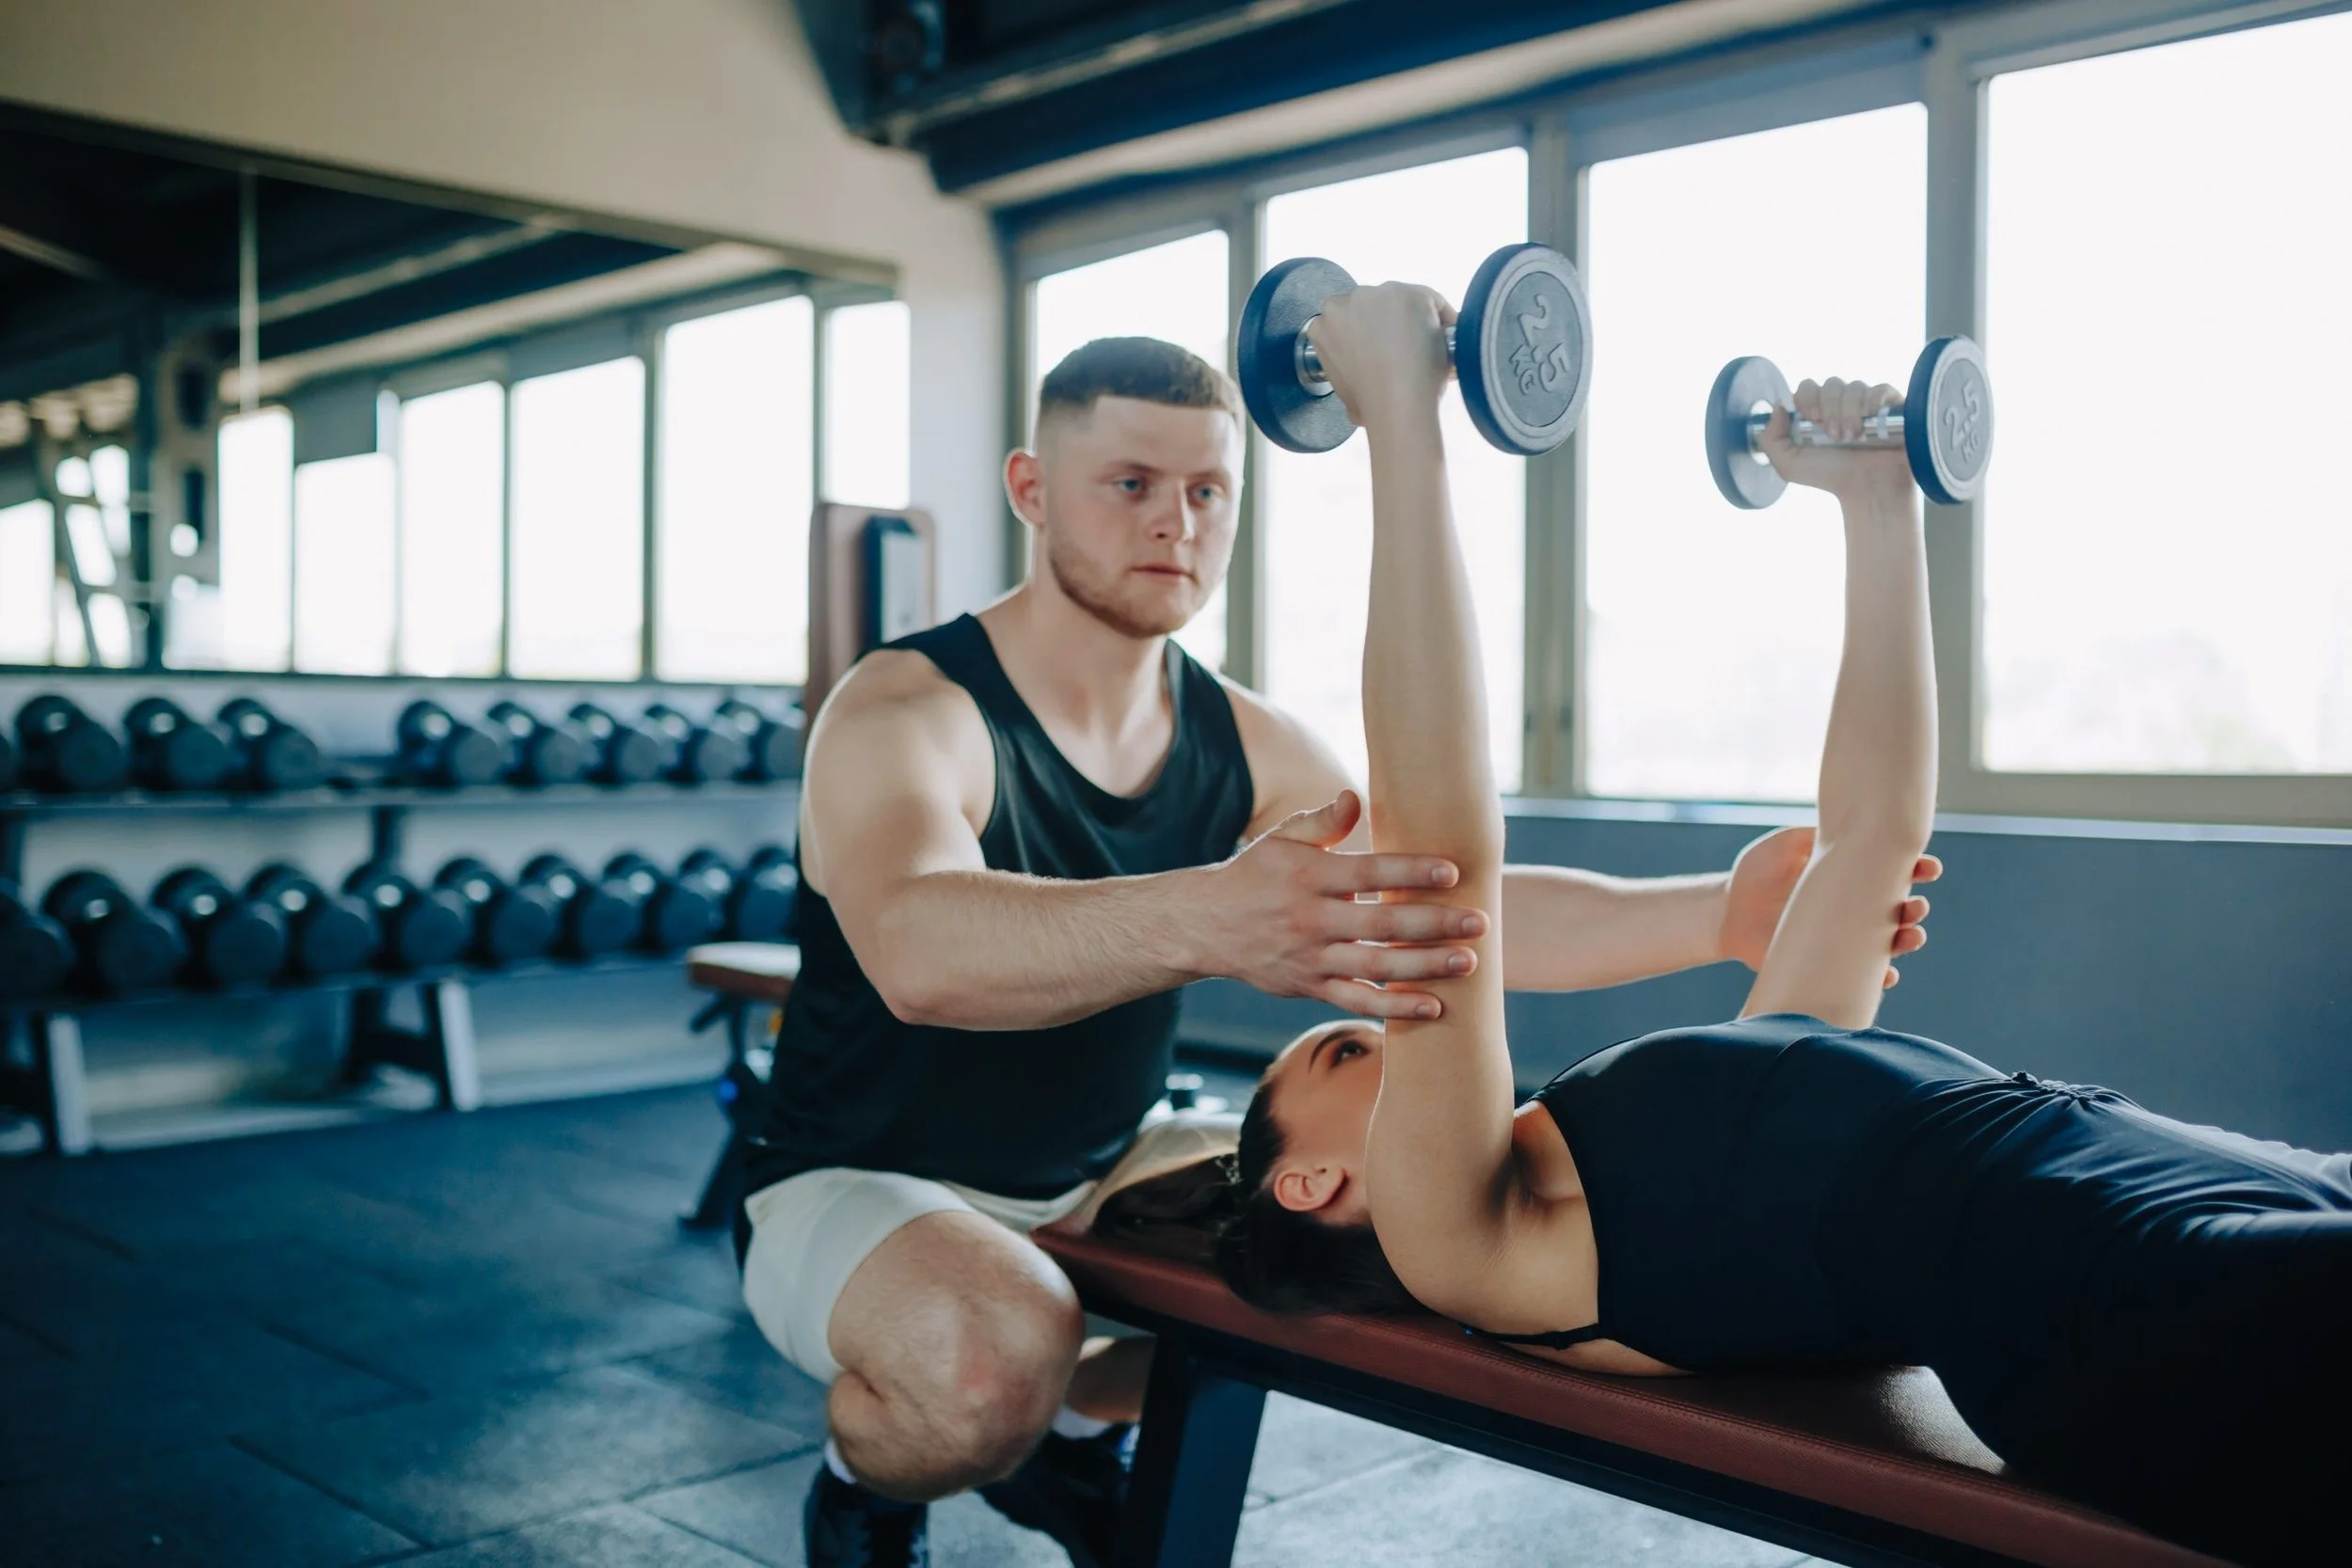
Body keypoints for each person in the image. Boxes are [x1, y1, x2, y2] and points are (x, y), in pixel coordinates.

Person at [1110, 282, 2352, 1566]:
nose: (1371, 1015)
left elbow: (1868, 835)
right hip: (2108, 1283)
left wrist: (1878, 502)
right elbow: (1441, 869)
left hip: (2191, 1173)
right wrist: (1399, 430)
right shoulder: (1462, 1246)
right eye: (1339, 1049)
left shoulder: (1710, 1123)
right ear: (1317, 1185)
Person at [740, 335, 1937, 1568]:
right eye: (1132, 483)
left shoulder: (1241, 733)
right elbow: (915, 949)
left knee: (1420, 1237)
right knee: (991, 1354)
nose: (1176, 523)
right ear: (1032, 488)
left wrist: (1724, 920)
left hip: (1109, 1150)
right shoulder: (907, 710)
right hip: (859, 1176)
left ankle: (1059, 1434)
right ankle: (867, 1488)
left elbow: (1442, 906)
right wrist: (1216, 914)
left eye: (1209, 491)